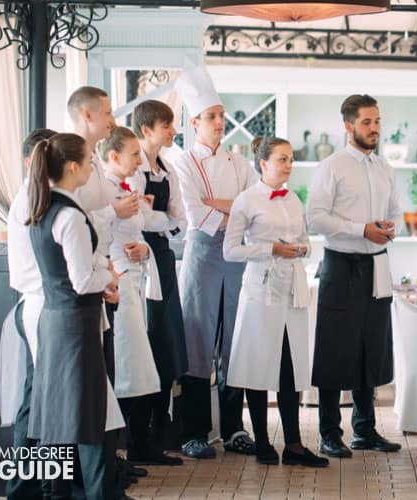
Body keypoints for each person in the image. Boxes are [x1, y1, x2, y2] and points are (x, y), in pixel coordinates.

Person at [25, 133, 122, 499]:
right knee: (89, 417)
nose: (92, 167)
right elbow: (82, 280)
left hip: (52, 320)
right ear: (72, 167)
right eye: (88, 160)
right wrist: (110, 278)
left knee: (57, 418)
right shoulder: (69, 217)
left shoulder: (40, 209)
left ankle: (56, 494)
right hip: (76, 326)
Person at [223, 136, 329, 468]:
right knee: (258, 364)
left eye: (290, 159)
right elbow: (231, 250)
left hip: (291, 289)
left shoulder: (294, 199)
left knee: (290, 366)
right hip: (260, 289)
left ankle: (294, 445)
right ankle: (264, 442)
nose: (288, 165)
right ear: (263, 163)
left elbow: (305, 240)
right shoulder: (245, 200)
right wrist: (270, 249)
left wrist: (301, 248)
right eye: (282, 159)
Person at [307, 94, 402, 458]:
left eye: (377, 121)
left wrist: (386, 227)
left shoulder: (385, 169)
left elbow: (394, 211)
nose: (375, 128)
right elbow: (315, 218)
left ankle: (365, 430)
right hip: (340, 265)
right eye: (367, 122)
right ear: (348, 126)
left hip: (377, 264)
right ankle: (330, 432)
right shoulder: (331, 167)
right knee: (334, 349)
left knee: (371, 347)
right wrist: (362, 229)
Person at [173, 68, 258, 459]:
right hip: (202, 256)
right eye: (211, 116)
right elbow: (192, 213)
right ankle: (193, 432)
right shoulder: (183, 163)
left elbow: (249, 208)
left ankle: (234, 429)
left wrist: (222, 208)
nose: (219, 122)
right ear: (194, 123)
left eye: (222, 115)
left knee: (233, 342)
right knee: (197, 344)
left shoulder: (239, 162)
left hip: (236, 257)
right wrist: (230, 210)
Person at [68, 85, 142, 495]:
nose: (113, 121)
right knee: (84, 397)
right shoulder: (72, 161)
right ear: (86, 115)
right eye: (107, 113)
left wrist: (108, 272)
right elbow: (75, 222)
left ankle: (104, 475)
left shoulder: (93, 159)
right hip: (78, 294)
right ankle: (82, 483)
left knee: (103, 385)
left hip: (101, 279)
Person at [100, 126, 183, 467]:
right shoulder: (101, 191)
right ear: (113, 156)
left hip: (137, 278)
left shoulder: (128, 186)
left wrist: (145, 247)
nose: (139, 161)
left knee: (143, 366)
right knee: (129, 366)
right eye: (133, 154)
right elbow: (100, 236)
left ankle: (138, 442)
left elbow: (146, 229)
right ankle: (122, 448)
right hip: (117, 281)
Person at [127, 100, 189, 453]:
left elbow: (180, 219)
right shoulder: (133, 171)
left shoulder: (170, 170)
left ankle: (158, 432)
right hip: (139, 257)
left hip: (162, 259)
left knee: (166, 344)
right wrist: (164, 219)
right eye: (168, 125)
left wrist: (161, 217)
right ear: (147, 129)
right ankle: (138, 437)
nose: (173, 131)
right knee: (144, 343)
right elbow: (146, 218)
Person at [1, 127, 56, 500]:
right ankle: (23, 488)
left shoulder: (45, 199)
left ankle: (47, 485)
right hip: (38, 306)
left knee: (43, 399)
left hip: (47, 306)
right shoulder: (29, 202)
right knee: (36, 401)